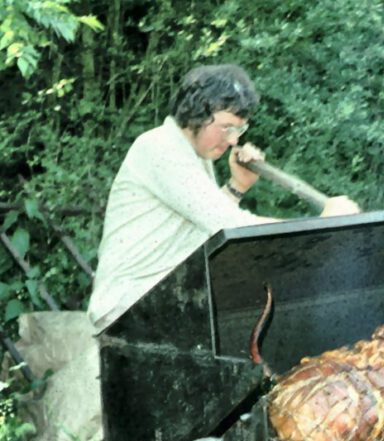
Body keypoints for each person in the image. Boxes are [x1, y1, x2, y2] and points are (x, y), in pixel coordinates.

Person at [87, 64, 360, 333]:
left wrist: (237, 185)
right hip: (128, 309)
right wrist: (322, 227)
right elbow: (231, 226)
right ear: (196, 113)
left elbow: (203, 230)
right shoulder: (160, 148)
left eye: (238, 130)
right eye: (227, 127)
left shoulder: (193, 155)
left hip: (160, 302)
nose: (232, 140)